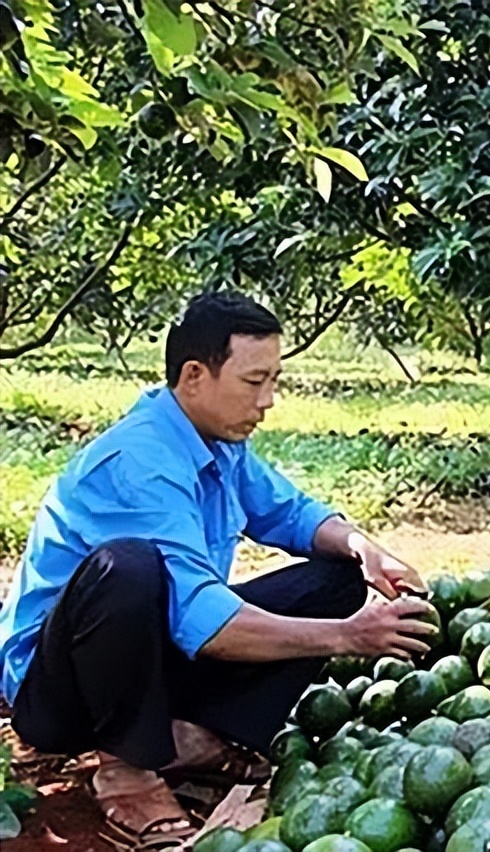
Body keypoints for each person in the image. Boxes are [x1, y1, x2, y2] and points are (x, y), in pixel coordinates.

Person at [0, 292, 438, 849]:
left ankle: (191, 738)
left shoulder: (219, 441)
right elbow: (206, 622)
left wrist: (361, 546)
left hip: (153, 659)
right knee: (129, 568)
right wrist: (350, 634)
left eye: (273, 380)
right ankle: (126, 769)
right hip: (63, 692)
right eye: (254, 382)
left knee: (337, 574)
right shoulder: (139, 461)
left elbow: (290, 512)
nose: (269, 400)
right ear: (193, 376)